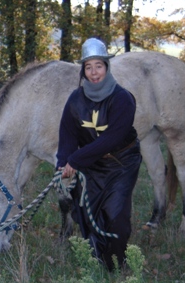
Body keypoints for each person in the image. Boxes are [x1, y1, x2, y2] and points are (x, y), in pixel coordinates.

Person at [56, 38, 142, 270]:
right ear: (83, 71)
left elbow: (111, 139)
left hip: (121, 162)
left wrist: (75, 160)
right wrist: (62, 163)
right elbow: (67, 134)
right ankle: (95, 259)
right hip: (90, 166)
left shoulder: (123, 99)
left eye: (99, 66)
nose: (94, 73)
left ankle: (115, 263)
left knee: (114, 213)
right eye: (88, 67)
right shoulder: (75, 99)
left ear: (107, 67)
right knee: (86, 210)